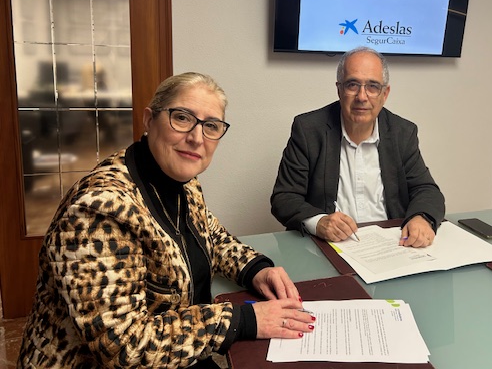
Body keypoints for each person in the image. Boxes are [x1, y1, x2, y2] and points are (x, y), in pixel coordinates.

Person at [18, 72, 315, 369]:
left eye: (211, 126)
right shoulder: (98, 211)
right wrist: (243, 319)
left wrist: (256, 270)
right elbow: (125, 348)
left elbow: (212, 237)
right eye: (182, 118)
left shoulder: (182, 181)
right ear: (149, 120)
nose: (196, 137)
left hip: (176, 351)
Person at [271, 47, 445, 248]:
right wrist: (319, 222)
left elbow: (426, 190)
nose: (362, 96)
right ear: (339, 90)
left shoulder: (402, 133)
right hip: (329, 246)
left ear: (385, 93)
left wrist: (422, 217)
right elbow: (284, 197)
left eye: (372, 86)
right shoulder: (308, 130)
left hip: (391, 244)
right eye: (352, 85)